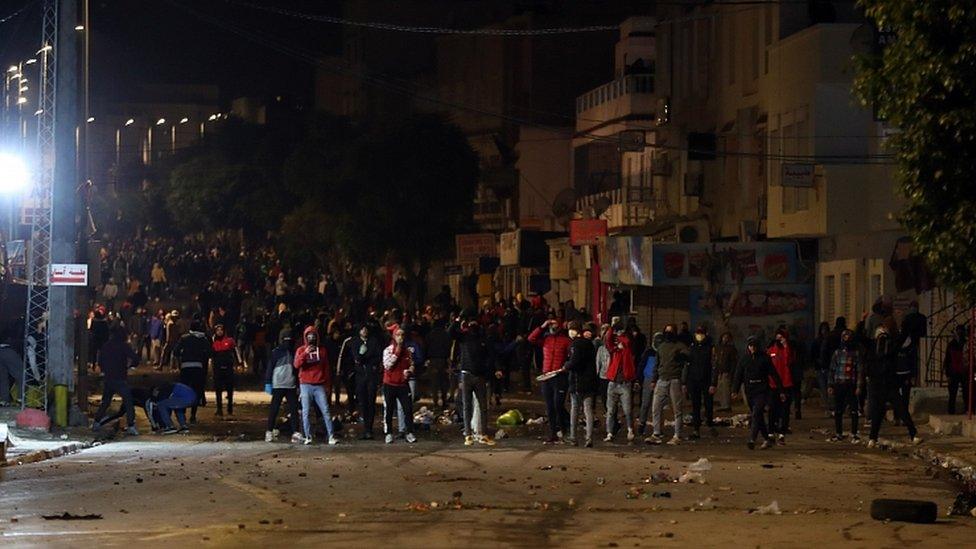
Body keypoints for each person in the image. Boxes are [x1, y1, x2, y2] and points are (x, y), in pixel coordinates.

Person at [866, 327, 921, 447]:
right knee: (900, 410)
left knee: (879, 413)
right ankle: (913, 434)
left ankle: (873, 438)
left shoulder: (873, 348)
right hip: (888, 384)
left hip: (880, 384)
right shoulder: (890, 348)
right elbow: (900, 340)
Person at [732, 336, 785, 449]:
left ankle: (752, 438)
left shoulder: (764, 358)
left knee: (756, 413)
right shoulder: (744, 359)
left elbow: (774, 374)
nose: (753, 348)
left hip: (761, 390)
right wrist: (735, 390)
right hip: (749, 391)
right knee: (758, 416)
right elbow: (738, 375)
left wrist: (781, 391)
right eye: (751, 346)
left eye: (755, 346)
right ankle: (767, 438)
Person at [450, 318, 496, 446]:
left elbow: (489, 356)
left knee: (479, 406)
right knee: (470, 405)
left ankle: (479, 434)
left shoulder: (481, 339)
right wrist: (457, 320)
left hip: (476, 375)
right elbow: (451, 333)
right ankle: (470, 434)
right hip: (469, 374)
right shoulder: (465, 337)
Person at [528, 318, 572, 444]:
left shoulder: (565, 341)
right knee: (550, 407)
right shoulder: (546, 340)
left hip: (559, 376)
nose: (553, 327)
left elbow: (572, 354)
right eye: (551, 325)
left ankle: (564, 429)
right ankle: (553, 433)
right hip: (547, 376)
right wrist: (542, 326)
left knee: (558, 405)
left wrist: (566, 367)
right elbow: (531, 338)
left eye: (554, 325)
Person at [92, 327, 141, 435]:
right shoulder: (124, 346)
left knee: (105, 402)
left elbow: (100, 361)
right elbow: (136, 358)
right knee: (128, 401)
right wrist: (130, 365)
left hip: (109, 378)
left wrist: (105, 370)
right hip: (120, 378)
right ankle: (131, 425)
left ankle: (96, 422)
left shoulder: (106, 346)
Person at [295, 326, 338, 445]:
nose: (311, 338)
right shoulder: (300, 350)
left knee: (326, 410)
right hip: (305, 385)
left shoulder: (322, 351)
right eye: (309, 336)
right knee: (306, 412)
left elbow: (327, 369)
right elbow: (296, 364)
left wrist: (328, 386)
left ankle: (331, 436)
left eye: (313, 336)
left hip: (319, 385)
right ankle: (308, 436)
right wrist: (305, 353)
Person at [648, 324, 688, 445]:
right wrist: (654, 380)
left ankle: (677, 435)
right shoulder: (661, 347)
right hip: (662, 379)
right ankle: (656, 433)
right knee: (656, 407)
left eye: (670, 331)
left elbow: (687, 360)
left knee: (677, 409)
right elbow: (657, 364)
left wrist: (684, 381)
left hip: (674, 379)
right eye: (666, 331)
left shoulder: (680, 346)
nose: (668, 333)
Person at [341, 324, 382, 439]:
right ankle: (366, 428)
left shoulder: (373, 341)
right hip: (359, 376)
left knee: (371, 401)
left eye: (365, 329)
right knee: (363, 402)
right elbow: (356, 358)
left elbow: (376, 356)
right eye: (362, 329)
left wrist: (365, 357)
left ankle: (369, 427)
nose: (364, 331)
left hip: (371, 375)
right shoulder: (354, 342)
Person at [264, 330, 302, 443]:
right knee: (274, 409)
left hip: (291, 385)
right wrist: (268, 382)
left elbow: (296, 370)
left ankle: (295, 432)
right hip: (278, 385)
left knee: (294, 410)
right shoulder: (276, 352)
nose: (288, 342)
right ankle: (269, 431)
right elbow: (270, 368)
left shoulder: (294, 352)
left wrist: (298, 384)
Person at [381, 327, 417, 444]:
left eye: (402, 335)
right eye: (398, 335)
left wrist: (409, 371)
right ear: (394, 336)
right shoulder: (388, 350)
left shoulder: (408, 351)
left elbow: (412, 364)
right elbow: (388, 365)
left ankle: (409, 432)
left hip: (403, 384)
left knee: (408, 409)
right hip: (390, 384)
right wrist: (398, 350)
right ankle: (389, 433)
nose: (400, 337)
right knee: (390, 410)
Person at [603, 321, 636, 443]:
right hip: (613, 382)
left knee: (627, 410)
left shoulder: (627, 345)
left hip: (625, 383)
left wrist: (620, 338)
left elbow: (629, 341)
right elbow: (608, 341)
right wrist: (612, 327)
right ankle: (610, 433)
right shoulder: (615, 349)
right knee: (610, 411)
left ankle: (630, 429)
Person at [828, 329, 863, 442]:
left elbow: (859, 370)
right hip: (839, 383)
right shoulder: (837, 353)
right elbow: (832, 370)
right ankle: (839, 432)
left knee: (854, 409)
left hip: (851, 384)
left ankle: (854, 432)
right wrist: (830, 385)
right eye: (844, 337)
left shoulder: (855, 353)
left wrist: (858, 386)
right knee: (838, 410)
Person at [566, 321, 599, 447]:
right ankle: (589, 438)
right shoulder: (590, 345)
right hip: (590, 382)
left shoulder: (575, 345)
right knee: (588, 411)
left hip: (577, 382)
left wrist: (566, 366)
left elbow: (574, 362)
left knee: (575, 409)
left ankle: (573, 437)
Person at [174, 320, 210, 423]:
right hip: (198, 367)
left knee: (184, 390)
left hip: (185, 367)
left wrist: (181, 359)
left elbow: (176, 351)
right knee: (196, 391)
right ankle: (193, 415)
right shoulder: (203, 339)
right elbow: (209, 352)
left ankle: (183, 413)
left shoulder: (184, 338)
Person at [684, 325, 716, 439]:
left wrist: (713, 383)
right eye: (698, 333)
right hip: (693, 380)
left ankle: (710, 425)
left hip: (706, 380)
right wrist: (685, 382)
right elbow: (687, 365)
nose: (699, 335)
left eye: (701, 333)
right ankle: (696, 429)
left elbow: (713, 366)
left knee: (708, 404)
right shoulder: (692, 347)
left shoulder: (710, 348)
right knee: (695, 405)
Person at [766, 329, 795, 443]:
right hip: (773, 384)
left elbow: (789, 360)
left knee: (785, 409)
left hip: (786, 383)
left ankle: (782, 431)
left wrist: (785, 345)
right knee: (773, 408)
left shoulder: (787, 350)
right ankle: (771, 431)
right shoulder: (771, 349)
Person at [211, 324, 242, 416]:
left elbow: (236, 352)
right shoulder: (213, 342)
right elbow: (211, 355)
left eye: (221, 330)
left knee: (229, 388)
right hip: (217, 368)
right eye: (218, 330)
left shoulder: (230, 341)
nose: (220, 332)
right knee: (218, 389)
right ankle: (219, 409)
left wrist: (239, 363)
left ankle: (230, 408)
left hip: (228, 368)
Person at [636, 332, 662, 436]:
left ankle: (657, 428)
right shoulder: (649, 352)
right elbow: (642, 365)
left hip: (659, 379)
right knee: (646, 404)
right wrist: (639, 379)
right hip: (648, 379)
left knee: (657, 406)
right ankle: (642, 424)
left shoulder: (663, 352)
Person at [425, 314, 452, 408]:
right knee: (444, 381)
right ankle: (444, 400)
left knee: (434, 383)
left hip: (433, 360)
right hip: (443, 360)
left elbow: (426, 347)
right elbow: (449, 347)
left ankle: (435, 402)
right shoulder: (446, 334)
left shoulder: (429, 335)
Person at [944, 326, 971, 415]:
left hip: (963, 371)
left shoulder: (966, 344)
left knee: (966, 392)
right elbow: (947, 359)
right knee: (953, 393)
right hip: (955, 371)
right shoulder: (952, 344)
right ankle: (951, 411)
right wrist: (947, 374)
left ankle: (967, 409)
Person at [810, 322, 832, 415]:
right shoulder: (818, 341)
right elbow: (812, 354)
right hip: (820, 367)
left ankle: (830, 406)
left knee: (828, 387)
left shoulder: (829, 341)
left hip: (827, 367)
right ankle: (827, 407)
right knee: (823, 388)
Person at [712, 332, 737, 412]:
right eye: (724, 337)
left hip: (727, 371)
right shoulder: (718, 348)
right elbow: (716, 359)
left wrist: (731, 372)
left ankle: (726, 405)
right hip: (719, 371)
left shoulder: (731, 349)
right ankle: (722, 404)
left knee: (726, 389)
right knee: (720, 388)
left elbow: (733, 362)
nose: (725, 339)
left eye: (727, 337)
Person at [0, 336, 25, 406]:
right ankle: (20, 398)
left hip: (4, 348)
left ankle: (4, 400)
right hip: (9, 349)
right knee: (21, 376)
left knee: (2, 378)